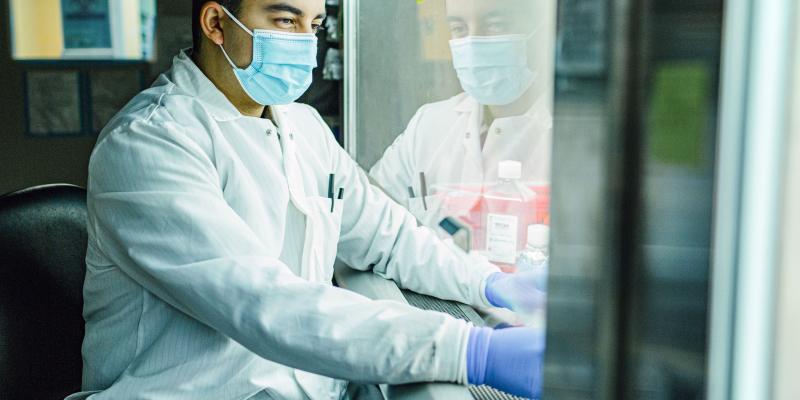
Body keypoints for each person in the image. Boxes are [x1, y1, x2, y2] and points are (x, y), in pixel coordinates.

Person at [66, 1, 543, 399]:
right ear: (216, 24)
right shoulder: (147, 144)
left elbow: (388, 237)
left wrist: (489, 285)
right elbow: (263, 303)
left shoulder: (304, 127)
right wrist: (470, 351)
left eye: (313, 26)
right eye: (284, 21)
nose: (304, 42)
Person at [369, 0, 553, 233]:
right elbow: (369, 217)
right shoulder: (429, 124)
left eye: (496, 25)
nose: (473, 43)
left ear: (542, 30)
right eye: (459, 28)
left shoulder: (576, 138)